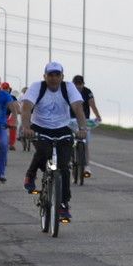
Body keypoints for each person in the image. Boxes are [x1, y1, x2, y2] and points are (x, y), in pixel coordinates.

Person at [20, 62, 90, 221]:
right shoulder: (37, 87)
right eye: (50, 75)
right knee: (43, 151)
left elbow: (78, 108)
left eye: (57, 75)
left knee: (64, 166)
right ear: (44, 76)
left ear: (62, 77)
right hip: (39, 127)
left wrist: (82, 129)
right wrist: (26, 127)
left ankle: (63, 203)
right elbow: (26, 107)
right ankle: (30, 175)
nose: (53, 78)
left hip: (62, 128)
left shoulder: (68, 87)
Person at [72, 74, 103, 177]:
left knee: (85, 143)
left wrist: (98, 116)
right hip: (71, 120)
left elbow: (92, 104)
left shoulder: (87, 91)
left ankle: (87, 167)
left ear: (83, 84)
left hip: (85, 120)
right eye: (76, 84)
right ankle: (68, 162)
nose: (78, 86)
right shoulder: (69, 91)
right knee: (67, 141)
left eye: (80, 84)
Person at [2, 82, 18, 149]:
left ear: (9, 89)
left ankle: (12, 144)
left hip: (10, 115)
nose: (5, 90)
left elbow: (17, 107)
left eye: (6, 88)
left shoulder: (12, 97)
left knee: (13, 126)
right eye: (4, 89)